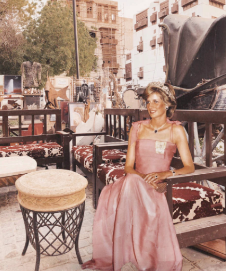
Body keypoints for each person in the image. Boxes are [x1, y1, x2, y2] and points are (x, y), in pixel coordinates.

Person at [81, 82, 195, 271]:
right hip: (135, 181)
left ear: (166, 105)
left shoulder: (176, 130)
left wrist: (166, 174)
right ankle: (134, 255)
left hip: (158, 185)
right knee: (131, 182)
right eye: (148, 102)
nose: (150, 106)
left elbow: (189, 166)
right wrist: (144, 180)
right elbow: (128, 167)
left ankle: (138, 257)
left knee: (134, 192)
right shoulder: (138, 128)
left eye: (156, 101)